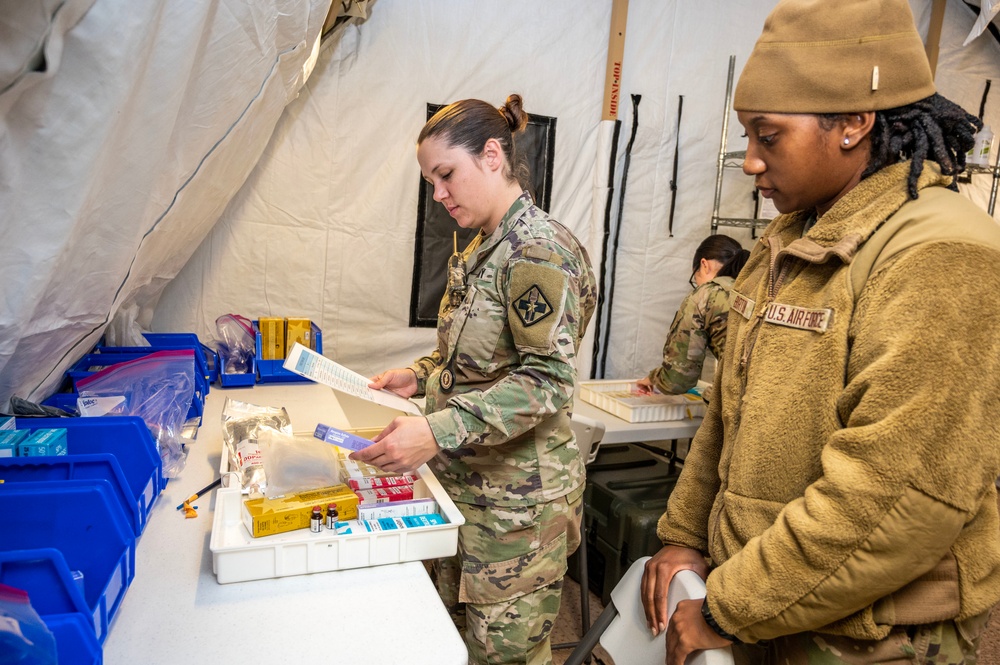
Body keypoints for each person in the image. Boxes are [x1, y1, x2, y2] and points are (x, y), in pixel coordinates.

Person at [640, 1, 1000, 664]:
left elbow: (894, 496)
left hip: (873, 639)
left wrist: (731, 605)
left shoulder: (941, 252)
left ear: (855, 122)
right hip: (764, 599)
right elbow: (726, 413)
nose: (749, 162)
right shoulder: (787, 240)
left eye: (767, 136)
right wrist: (686, 533)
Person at [350, 94, 597, 665]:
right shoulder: (484, 248)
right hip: (470, 488)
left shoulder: (538, 250)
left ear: (492, 156)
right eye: (431, 181)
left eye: (445, 176)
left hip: (519, 511)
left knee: (501, 656)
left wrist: (436, 431)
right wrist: (414, 379)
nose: (438, 195)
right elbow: (468, 364)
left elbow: (547, 382)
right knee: (451, 645)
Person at [635, 235, 749, 396]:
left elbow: (677, 379)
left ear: (704, 265)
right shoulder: (754, 289)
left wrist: (654, 378)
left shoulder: (707, 295)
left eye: (695, 279)